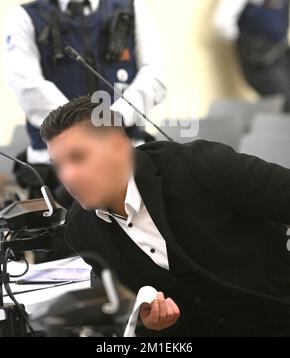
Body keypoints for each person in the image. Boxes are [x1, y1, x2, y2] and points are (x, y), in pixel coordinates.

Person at [40, 94, 290, 337]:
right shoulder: (81, 229)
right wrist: (150, 325)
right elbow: (128, 317)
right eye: (59, 164)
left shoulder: (200, 166)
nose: (68, 176)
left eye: (78, 157)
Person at [4, 0, 166, 205]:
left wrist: (110, 120)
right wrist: (87, 134)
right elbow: (29, 88)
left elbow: (155, 76)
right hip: (59, 171)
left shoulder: (132, 10)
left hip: (127, 159)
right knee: (67, 253)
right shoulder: (24, 17)